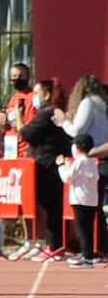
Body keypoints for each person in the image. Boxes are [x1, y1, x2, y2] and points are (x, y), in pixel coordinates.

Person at [19, 78, 72, 261]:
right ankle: (55, 245)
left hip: (47, 164)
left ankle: (54, 246)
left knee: (52, 206)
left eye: (37, 93)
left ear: (48, 95)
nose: (34, 97)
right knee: (53, 206)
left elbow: (26, 134)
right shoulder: (56, 112)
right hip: (53, 163)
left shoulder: (46, 114)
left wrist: (18, 118)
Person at [60, 74, 108, 252]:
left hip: (90, 156)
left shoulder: (88, 103)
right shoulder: (103, 105)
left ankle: (93, 249)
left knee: (85, 208)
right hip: (100, 157)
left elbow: (77, 130)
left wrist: (64, 123)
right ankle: (100, 245)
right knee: (96, 204)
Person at [57, 134, 101, 266]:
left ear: (78, 147)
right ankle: (87, 253)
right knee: (88, 230)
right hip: (91, 200)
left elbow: (67, 178)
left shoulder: (79, 162)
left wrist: (61, 166)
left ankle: (87, 258)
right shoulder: (91, 162)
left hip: (80, 201)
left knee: (82, 230)